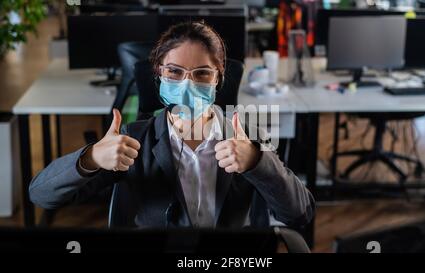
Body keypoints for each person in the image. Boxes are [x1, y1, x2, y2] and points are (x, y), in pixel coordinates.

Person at [29, 21, 314, 230]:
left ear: (218, 78)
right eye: (174, 72)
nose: (187, 83)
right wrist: (91, 158)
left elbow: (300, 214)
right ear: (159, 75)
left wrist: (257, 162)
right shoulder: (132, 142)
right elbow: (41, 194)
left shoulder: (248, 139)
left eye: (202, 73)